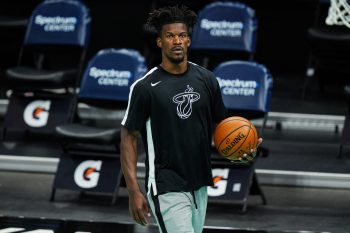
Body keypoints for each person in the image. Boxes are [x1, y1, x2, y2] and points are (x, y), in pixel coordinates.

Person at [120, 5, 260, 233]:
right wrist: (133, 190)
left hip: (200, 182)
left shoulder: (207, 80)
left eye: (182, 35)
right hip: (166, 185)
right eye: (170, 36)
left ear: (189, 41)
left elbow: (222, 129)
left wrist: (242, 148)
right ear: (159, 42)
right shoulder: (145, 87)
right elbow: (129, 138)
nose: (176, 41)